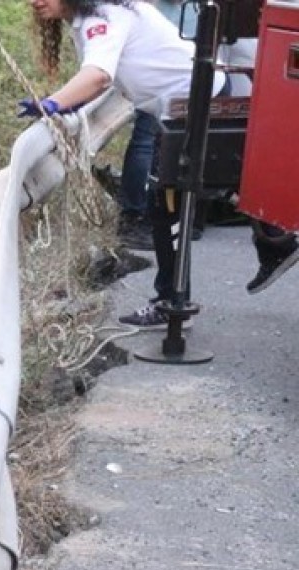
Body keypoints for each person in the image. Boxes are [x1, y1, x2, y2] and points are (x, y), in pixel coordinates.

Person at [21, 0, 238, 328]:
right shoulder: (88, 18)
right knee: (167, 205)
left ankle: (174, 302)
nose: (37, 2)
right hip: (178, 104)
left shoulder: (104, 16)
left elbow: (98, 76)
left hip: (194, 100)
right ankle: (171, 300)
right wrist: (60, 103)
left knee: (169, 204)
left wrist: (52, 103)